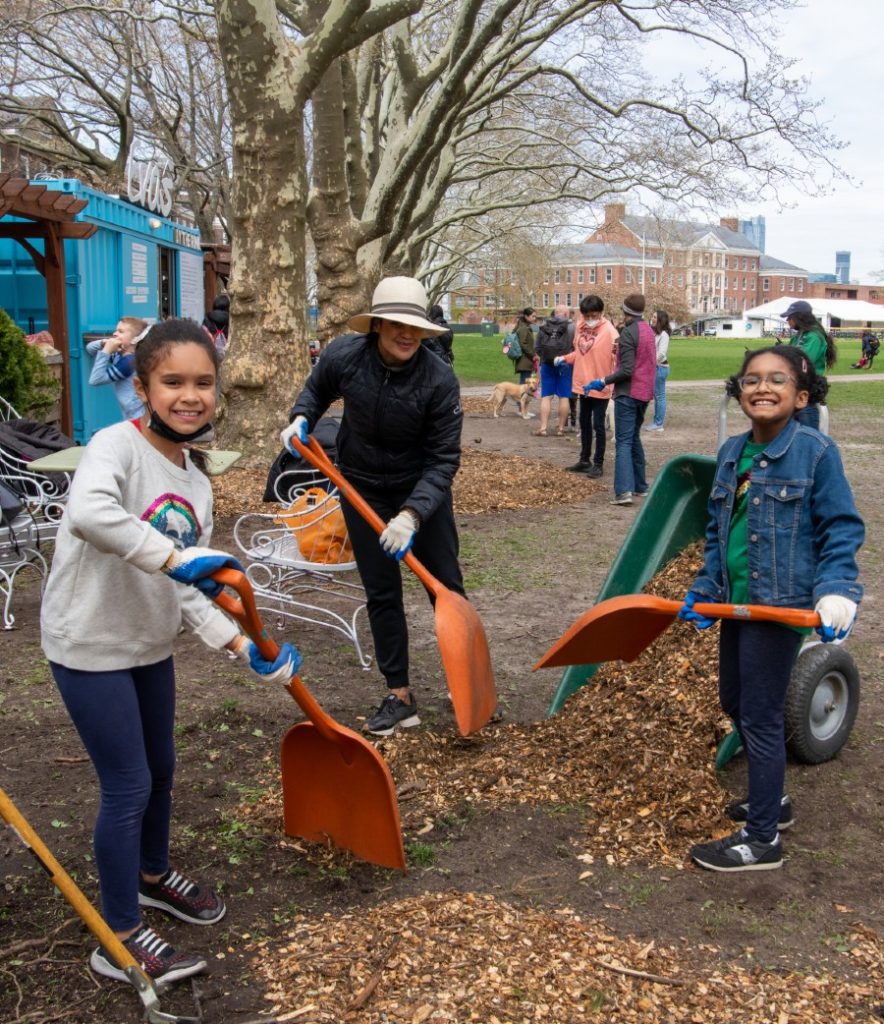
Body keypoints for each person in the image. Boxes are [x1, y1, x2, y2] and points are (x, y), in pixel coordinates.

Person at [40, 319, 299, 985]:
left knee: (161, 768)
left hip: (148, 641)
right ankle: (119, 936)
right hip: (89, 641)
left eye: (203, 383)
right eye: (173, 382)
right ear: (145, 385)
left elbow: (188, 587)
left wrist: (242, 643)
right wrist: (177, 556)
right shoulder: (113, 449)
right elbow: (92, 516)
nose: (191, 396)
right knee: (126, 784)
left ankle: (152, 875)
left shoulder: (196, 482)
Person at [679, 344, 864, 872]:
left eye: (777, 380)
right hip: (736, 605)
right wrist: (704, 588)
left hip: (778, 606)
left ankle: (762, 841)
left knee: (758, 716)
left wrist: (837, 590)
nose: (762, 387)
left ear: (801, 395)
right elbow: (719, 533)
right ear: (738, 391)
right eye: (752, 379)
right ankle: (773, 801)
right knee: (734, 701)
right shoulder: (732, 452)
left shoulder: (816, 452)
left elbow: (841, 526)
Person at [281, 276, 467, 737]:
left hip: (421, 491)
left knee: (446, 588)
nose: (407, 335)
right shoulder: (345, 355)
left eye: (415, 327)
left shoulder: (438, 379)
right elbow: (317, 389)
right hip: (360, 487)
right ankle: (400, 696)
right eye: (397, 325)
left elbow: (444, 459)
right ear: (378, 324)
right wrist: (302, 417)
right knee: (382, 593)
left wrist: (411, 515)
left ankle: (464, 684)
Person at [584, 293, 656, 505]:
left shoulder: (628, 333)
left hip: (628, 393)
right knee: (633, 437)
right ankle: (640, 486)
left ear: (625, 311)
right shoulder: (648, 331)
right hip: (644, 393)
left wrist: (602, 381)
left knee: (623, 441)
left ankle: (623, 492)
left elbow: (626, 370)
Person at [553, 295, 617, 476]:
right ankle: (584, 459)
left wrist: (612, 381)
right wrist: (565, 358)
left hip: (600, 384)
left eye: (593, 315)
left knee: (598, 424)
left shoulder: (610, 332)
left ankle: (598, 463)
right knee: (584, 422)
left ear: (600, 313)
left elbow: (617, 359)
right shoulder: (580, 327)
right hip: (583, 384)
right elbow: (579, 353)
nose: (590, 319)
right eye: (587, 315)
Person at [780, 299, 836, 430]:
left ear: (799, 317)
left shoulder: (813, 336)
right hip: (794, 387)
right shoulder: (798, 335)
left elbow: (804, 360)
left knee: (807, 432)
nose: (787, 320)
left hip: (808, 390)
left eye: (790, 317)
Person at [86, 317, 148, 420]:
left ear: (134, 339)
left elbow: (95, 380)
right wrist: (105, 343)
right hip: (131, 413)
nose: (114, 334)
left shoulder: (129, 362)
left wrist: (106, 351)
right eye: (116, 330)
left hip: (138, 416)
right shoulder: (119, 355)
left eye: (121, 331)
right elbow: (90, 349)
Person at [533, 304, 575, 436]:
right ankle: (561, 429)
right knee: (564, 397)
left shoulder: (544, 326)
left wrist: (545, 357)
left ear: (554, 313)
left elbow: (537, 346)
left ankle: (543, 428)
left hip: (547, 364)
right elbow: (576, 347)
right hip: (565, 364)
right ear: (567, 315)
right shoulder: (572, 327)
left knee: (546, 396)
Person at [645, 309, 671, 432]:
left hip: (660, 368)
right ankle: (657, 421)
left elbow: (661, 353)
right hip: (655, 367)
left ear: (660, 320)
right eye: (652, 316)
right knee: (657, 395)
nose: (652, 319)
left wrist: (650, 363)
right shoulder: (653, 333)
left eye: (655, 317)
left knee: (660, 396)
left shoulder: (664, 335)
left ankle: (659, 423)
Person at [513, 307, 537, 384]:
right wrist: (533, 355)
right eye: (533, 316)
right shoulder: (523, 328)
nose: (534, 318)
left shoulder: (526, 327)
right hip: (525, 360)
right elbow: (522, 344)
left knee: (525, 384)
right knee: (524, 385)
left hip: (527, 360)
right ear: (526, 316)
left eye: (535, 316)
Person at [202, 294, 229, 360]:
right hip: (227, 357)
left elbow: (202, 336)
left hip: (211, 357)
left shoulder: (207, 318)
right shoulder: (231, 320)